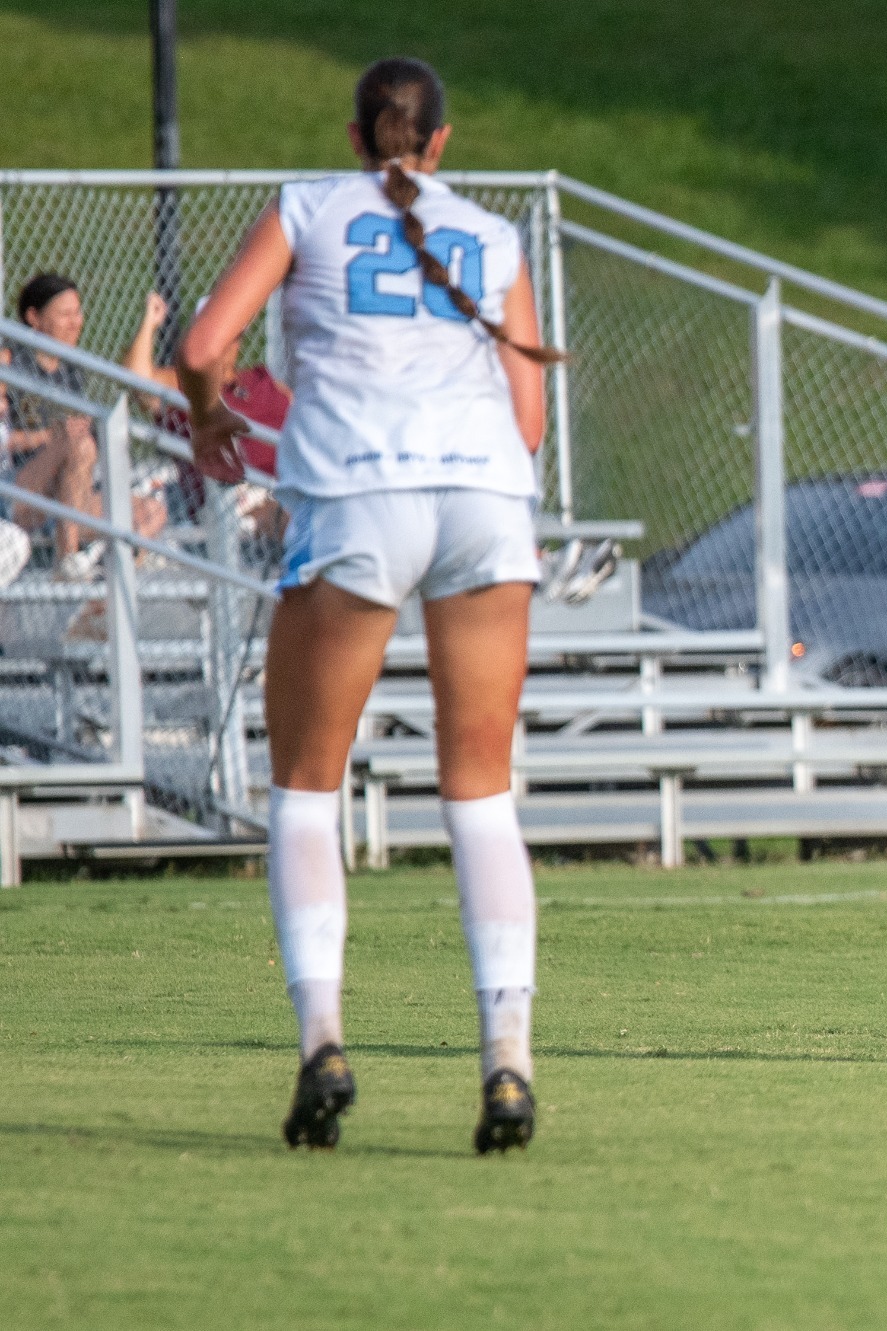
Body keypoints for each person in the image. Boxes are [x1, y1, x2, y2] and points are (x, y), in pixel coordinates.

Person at [179, 56, 562, 1152]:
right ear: (441, 143)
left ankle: (325, 1041)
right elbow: (528, 416)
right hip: (487, 494)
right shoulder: (494, 236)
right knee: (481, 793)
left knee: (306, 785)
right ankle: (506, 1061)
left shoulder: (309, 206)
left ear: (354, 137)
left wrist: (210, 417)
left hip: (358, 492)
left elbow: (205, 349)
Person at [4, 274, 169, 575]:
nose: (75, 322)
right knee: (76, 444)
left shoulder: (72, 369)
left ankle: (107, 571)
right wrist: (50, 437)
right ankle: (68, 561)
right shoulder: (10, 363)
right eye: (65, 314)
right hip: (20, 490)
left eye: (78, 313)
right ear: (34, 317)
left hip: (68, 498)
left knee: (151, 512)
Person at [124, 290, 291, 539]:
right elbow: (137, 380)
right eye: (210, 333)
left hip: (283, 487)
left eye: (228, 334)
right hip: (229, 501)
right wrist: (150, 322)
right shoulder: (183, 384)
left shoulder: (264, 381)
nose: (219, 343)